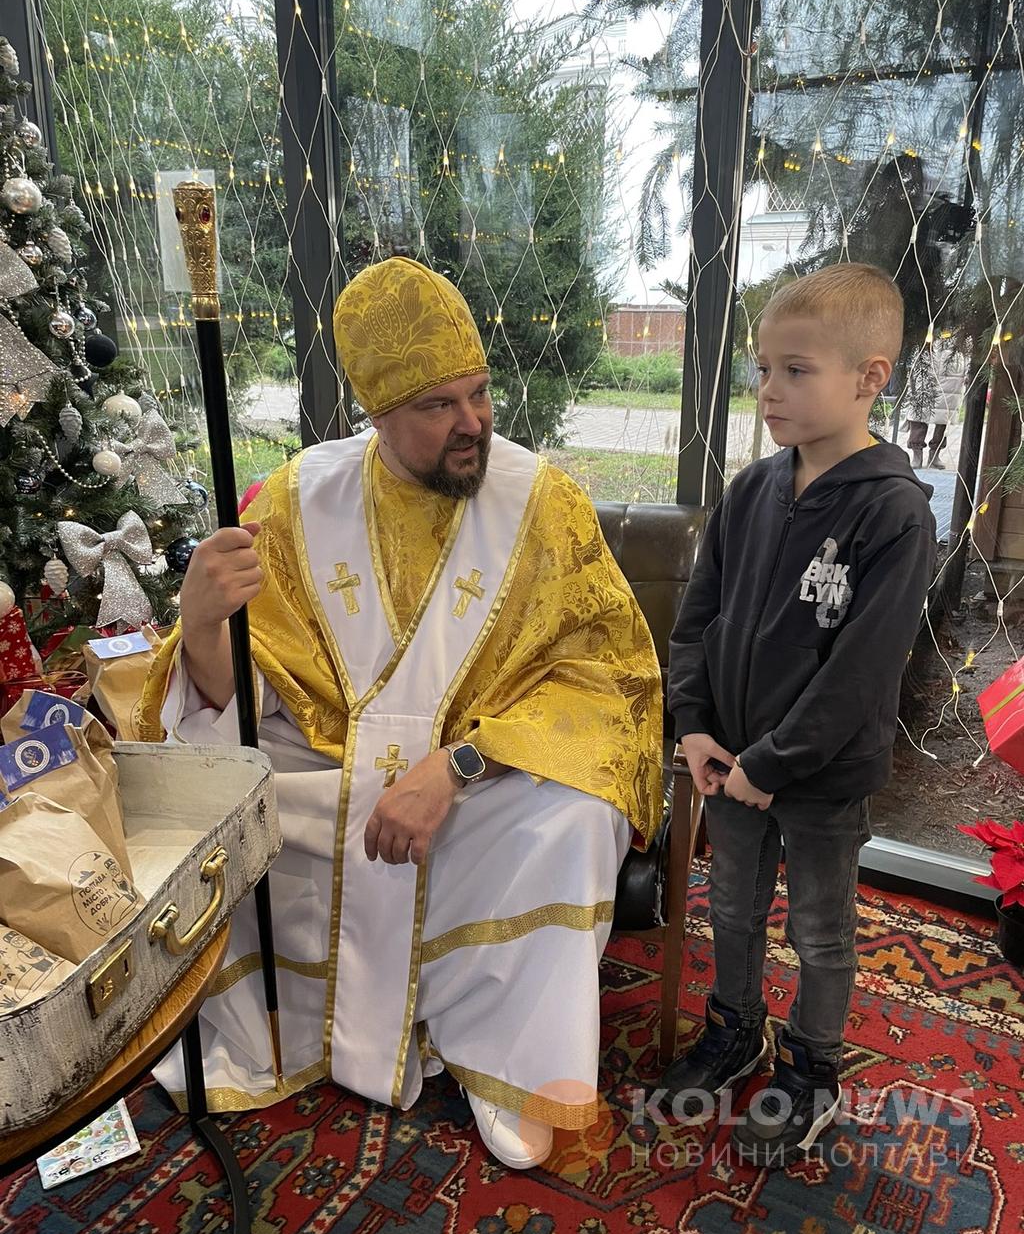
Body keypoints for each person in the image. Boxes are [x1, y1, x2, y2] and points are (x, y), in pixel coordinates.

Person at [139, 256, 662, 1170]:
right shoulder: (301, 500)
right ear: (375, 412)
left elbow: (604, 678)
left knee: (576, 818)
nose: (475, 423)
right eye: (438, 405)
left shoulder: (543, 503)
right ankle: (320, 1023)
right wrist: (203, 622)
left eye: (479, 392)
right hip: (334, 769)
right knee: (226, 783)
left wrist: (455, 767)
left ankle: (508, 1060)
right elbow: (241, 697)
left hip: (487, 775)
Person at [661, 263, 935, 1167]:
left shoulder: (895, 514)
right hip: (728, 761)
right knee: (731, 908)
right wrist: (694, 724)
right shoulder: (748, 490)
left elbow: (860, 674)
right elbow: (697, 618)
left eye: (795, 370)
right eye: (763, 369)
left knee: (820, 929)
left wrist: (771, 763)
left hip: (816, 780)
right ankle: (735, 1027)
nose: (769, 390)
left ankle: (813, 1067)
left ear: (869, 377)